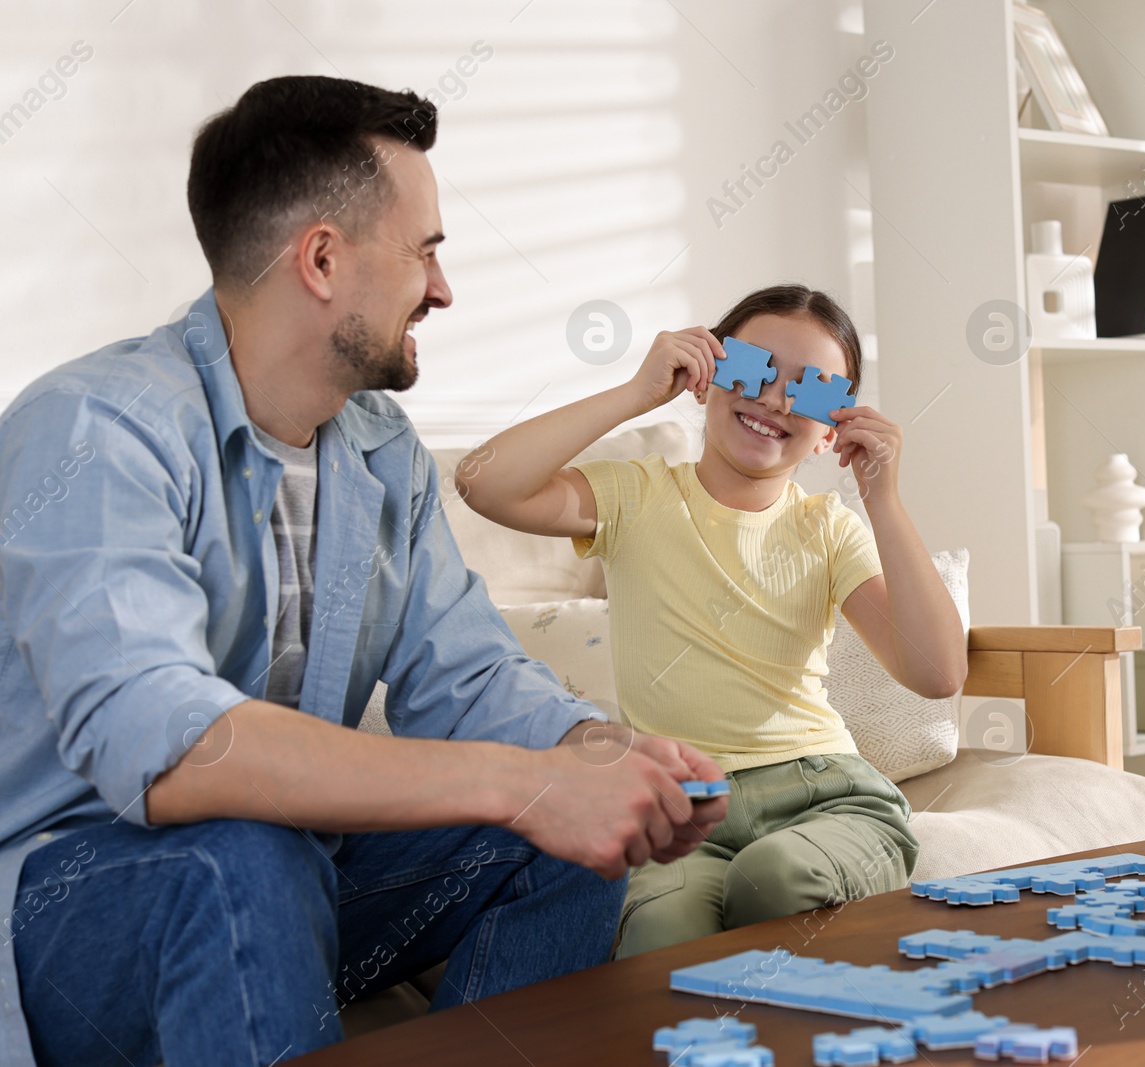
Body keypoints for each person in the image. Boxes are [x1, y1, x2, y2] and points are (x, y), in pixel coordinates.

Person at [0, 75, 726, 1067]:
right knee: (243, 848)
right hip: (65, 920)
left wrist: (606, 758)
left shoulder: (381, 453)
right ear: (324, 258)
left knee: (564, 841)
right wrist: (524, 780)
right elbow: (168, 748)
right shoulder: (97, 431)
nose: (443, 286)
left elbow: (468, 676)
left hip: (283, 876)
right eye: (426, 249)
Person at [456, 284, 967, 956]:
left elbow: (937, 672)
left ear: (829, 432)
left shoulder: (829, 530)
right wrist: (639, 391)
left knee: (775, 877)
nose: (776, 400)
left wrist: (884, 501)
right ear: (705, 376)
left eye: (810, 391)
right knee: (662, 938)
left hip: (825, 793)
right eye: (754, 369)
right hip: (682, 812)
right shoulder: (634, 495)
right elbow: (483, 480)